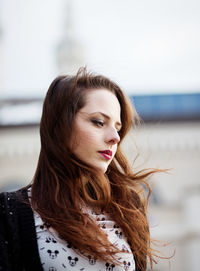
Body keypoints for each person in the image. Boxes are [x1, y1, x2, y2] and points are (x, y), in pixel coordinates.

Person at [0, 67, 161, 271]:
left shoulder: (128, 208)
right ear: (61, 126)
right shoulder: (11, 213)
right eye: (99, 122)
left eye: (118, 128)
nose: (115, 137)